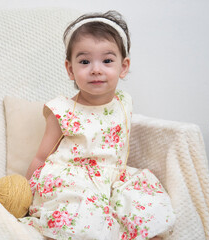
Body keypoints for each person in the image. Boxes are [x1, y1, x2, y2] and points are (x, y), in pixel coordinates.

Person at [20, 10, 175, 240]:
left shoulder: (124, 102)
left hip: (113, 178)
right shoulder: (62, 110)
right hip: (72, 179)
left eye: (107, 60)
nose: (96, 69)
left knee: (150, 209)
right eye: (84, 61)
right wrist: (25, 194)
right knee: (79, 218)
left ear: (123, 67)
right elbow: (42, 157)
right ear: (70, 69)